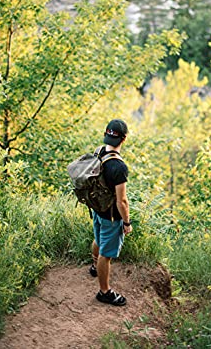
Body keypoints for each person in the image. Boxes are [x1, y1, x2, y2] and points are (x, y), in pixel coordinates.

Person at [90, 119, 133, 306]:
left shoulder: (99, 151)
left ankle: (94, 266)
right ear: (124, 139)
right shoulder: (119, 167)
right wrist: (127, 222)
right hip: (112, 216)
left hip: (98, 209)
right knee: (106, 254)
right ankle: (104, 292)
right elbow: (121, 201)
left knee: (98, 240)